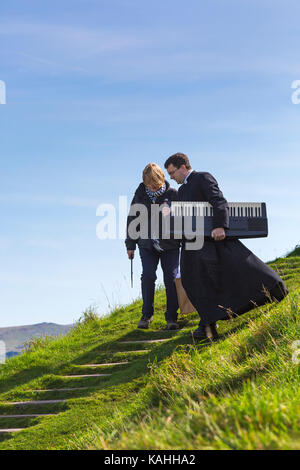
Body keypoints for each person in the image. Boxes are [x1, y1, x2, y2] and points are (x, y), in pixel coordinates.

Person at [164, 152, 289, 341]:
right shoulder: (181, 192)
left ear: (183, 167)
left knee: (231, 272)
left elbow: (218, 200)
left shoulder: (202, 178)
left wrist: (220, 225)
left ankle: (274, 289)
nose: (171, 177)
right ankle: (207, 324)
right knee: (192, 282)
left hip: (212, 240)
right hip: (192, 244)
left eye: (172, 172)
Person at [125, 163, 181, 330]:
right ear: (145, 183)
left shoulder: (173, 194)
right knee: (148, 276)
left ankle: (172, 318)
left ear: (162, 179)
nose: (154, 187)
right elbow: (132, 220)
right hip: (147, 244)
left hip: (170, 245)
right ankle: (146, 316)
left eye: (156, 184)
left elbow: (182, 218)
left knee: (171, 279)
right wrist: (130, 245)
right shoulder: (140, 195)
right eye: (150, 185)